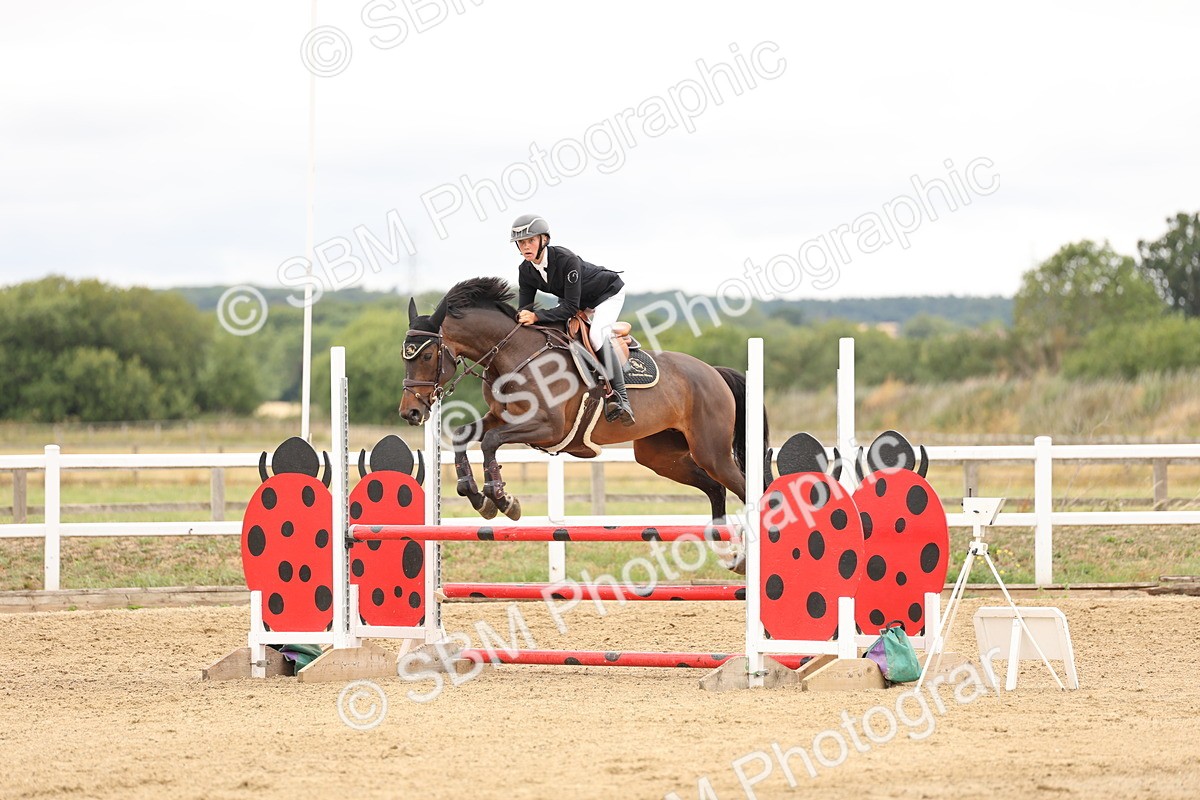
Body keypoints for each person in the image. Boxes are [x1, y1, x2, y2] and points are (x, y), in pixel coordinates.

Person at [510, 213, 635, 426]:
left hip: (606, 294)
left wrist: (537, 316)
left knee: (596, 335)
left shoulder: (566, 260)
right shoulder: (526, 270)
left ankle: (622, 399)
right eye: (521, 243)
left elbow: (568, 307)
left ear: (544, 240)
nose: (526, 246)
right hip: (578, 300)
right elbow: (525, 310)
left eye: (530, 240)